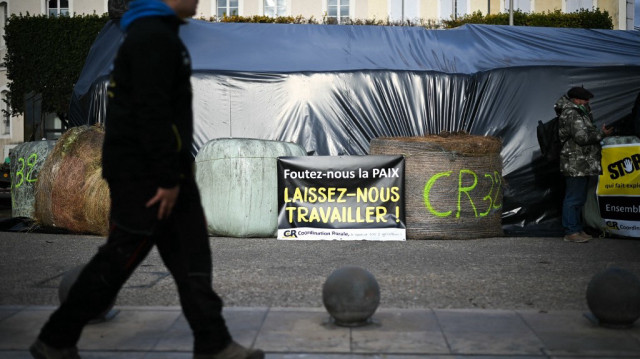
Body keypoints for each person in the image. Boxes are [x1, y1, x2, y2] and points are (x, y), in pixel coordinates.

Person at [29, 0, 264, 358]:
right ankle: (56, 337)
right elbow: (152, 113)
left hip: (161, 172)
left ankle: (214, 343)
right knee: (121, 257)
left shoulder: (154, 34)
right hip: (147, 176)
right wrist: (168, 179)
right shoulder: (152, 37)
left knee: (192, 258)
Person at [555, 86, 613, 243]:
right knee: (573, 198)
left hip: (582, 162)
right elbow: (582, 138)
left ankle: (577, 228)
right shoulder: (572, 113)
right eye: (585, 100)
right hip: (575, 162)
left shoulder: (580, 112)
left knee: (579, 198)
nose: (588, 102)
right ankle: (571, 231)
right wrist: (602, 134)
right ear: (576, 100)